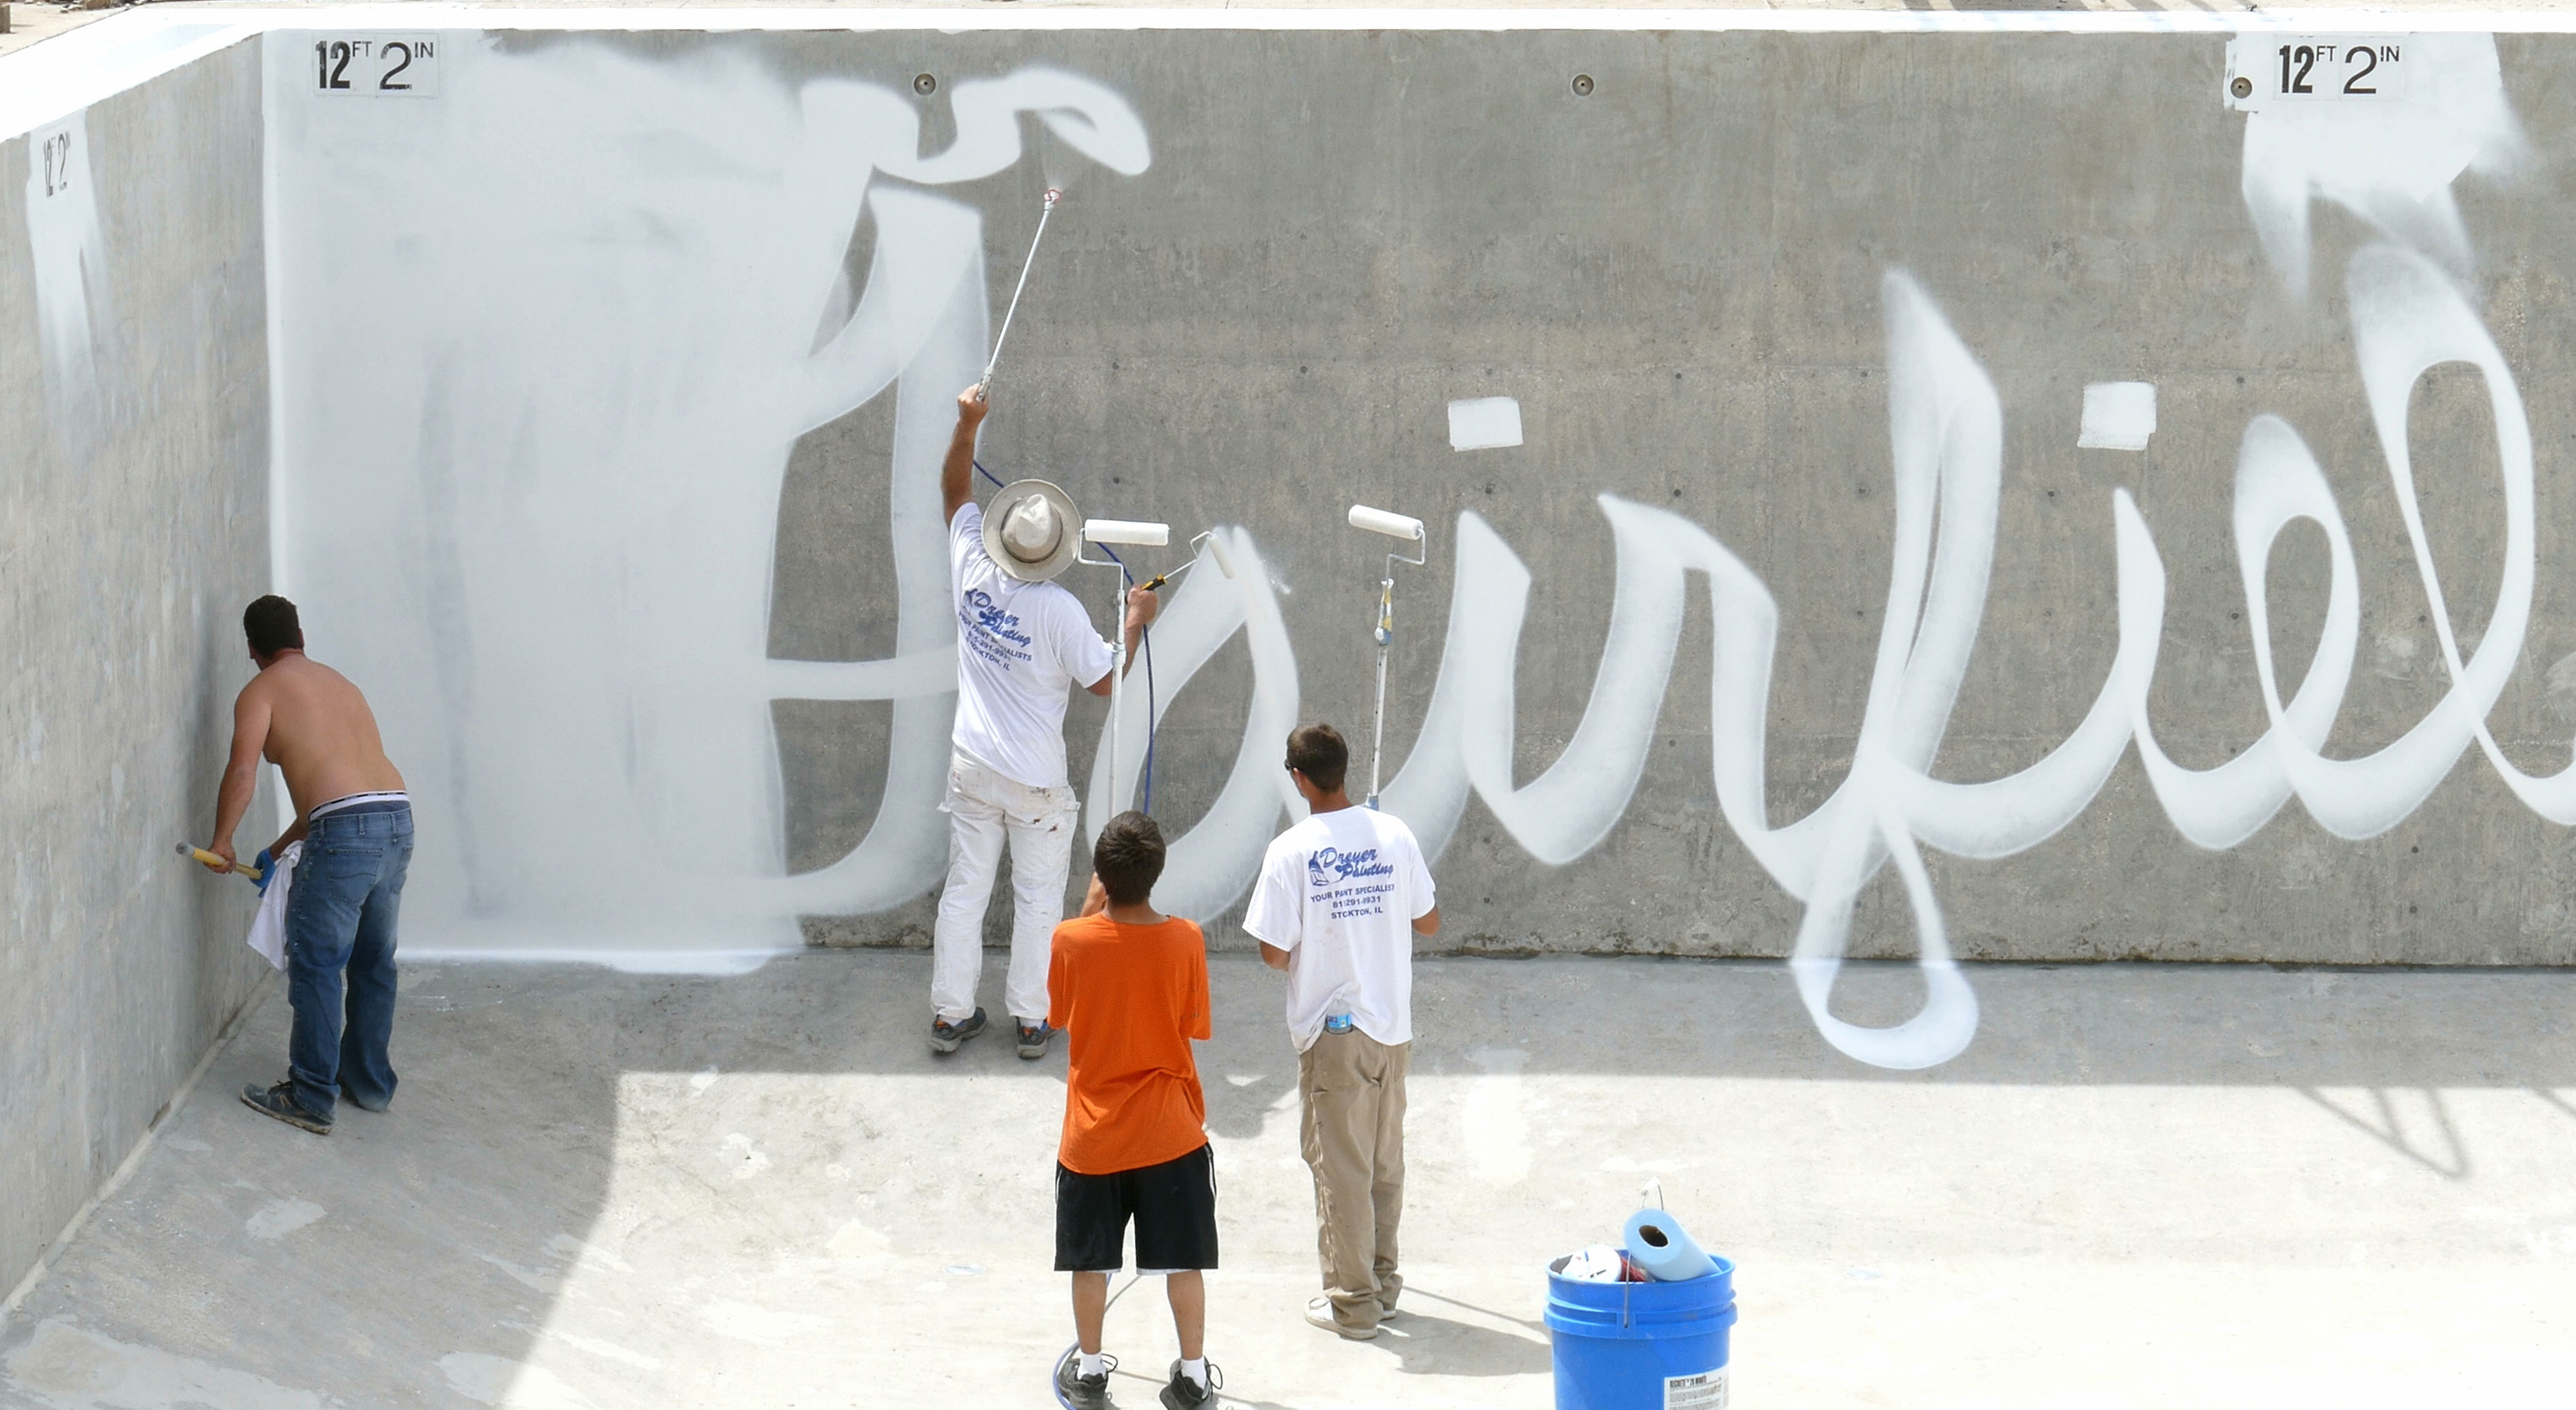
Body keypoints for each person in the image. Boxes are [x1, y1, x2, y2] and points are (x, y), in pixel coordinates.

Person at [932, 383, 1157, 1059]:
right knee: (1035, 900)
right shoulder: (1057, 610)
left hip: (971, 764)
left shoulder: (971, 560)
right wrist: (1135, 623)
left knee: (965, 892)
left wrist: (968, 425)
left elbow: (952, 492)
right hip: (1033, 781)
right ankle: (1031, 1020)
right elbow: (1102, 681)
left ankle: (950, 1015)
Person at [1243, 723, 1440, 1341]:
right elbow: (1428, 920)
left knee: (1341, 1168)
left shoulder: (1291, 850)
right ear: (1343, 768)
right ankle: (1382, 1286)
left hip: (1334, 1034)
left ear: (1299, 778)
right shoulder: (1395, 834)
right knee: (1384, 1162)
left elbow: (1275, 953)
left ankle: (1353, 1306)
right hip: (1393, 1027)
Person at [203, 595, 413, 1136]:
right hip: (395, 817)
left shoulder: (261, 691)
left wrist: (222, 839)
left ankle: (312, 1093)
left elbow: (242, 769)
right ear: (301, 635)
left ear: (252, 648)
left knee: (318, 961)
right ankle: (369, 1083)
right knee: (372, 961)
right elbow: (340, 793)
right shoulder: (342, 685)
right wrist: (274, 852)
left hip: (347, 831)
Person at [1047, 812, 1225, 1410]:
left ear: (1103, 874)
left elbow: (1061, 1012)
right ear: (1157, 872)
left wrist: (1088, 909)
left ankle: (1092, 1371)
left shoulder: (1071, 937)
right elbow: (1192, 1023)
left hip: (1094, 1137)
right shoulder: (1188, 939)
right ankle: (1194, 1376)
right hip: (1169, 1132)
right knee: (1184, 1262)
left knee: (1089, 1262)